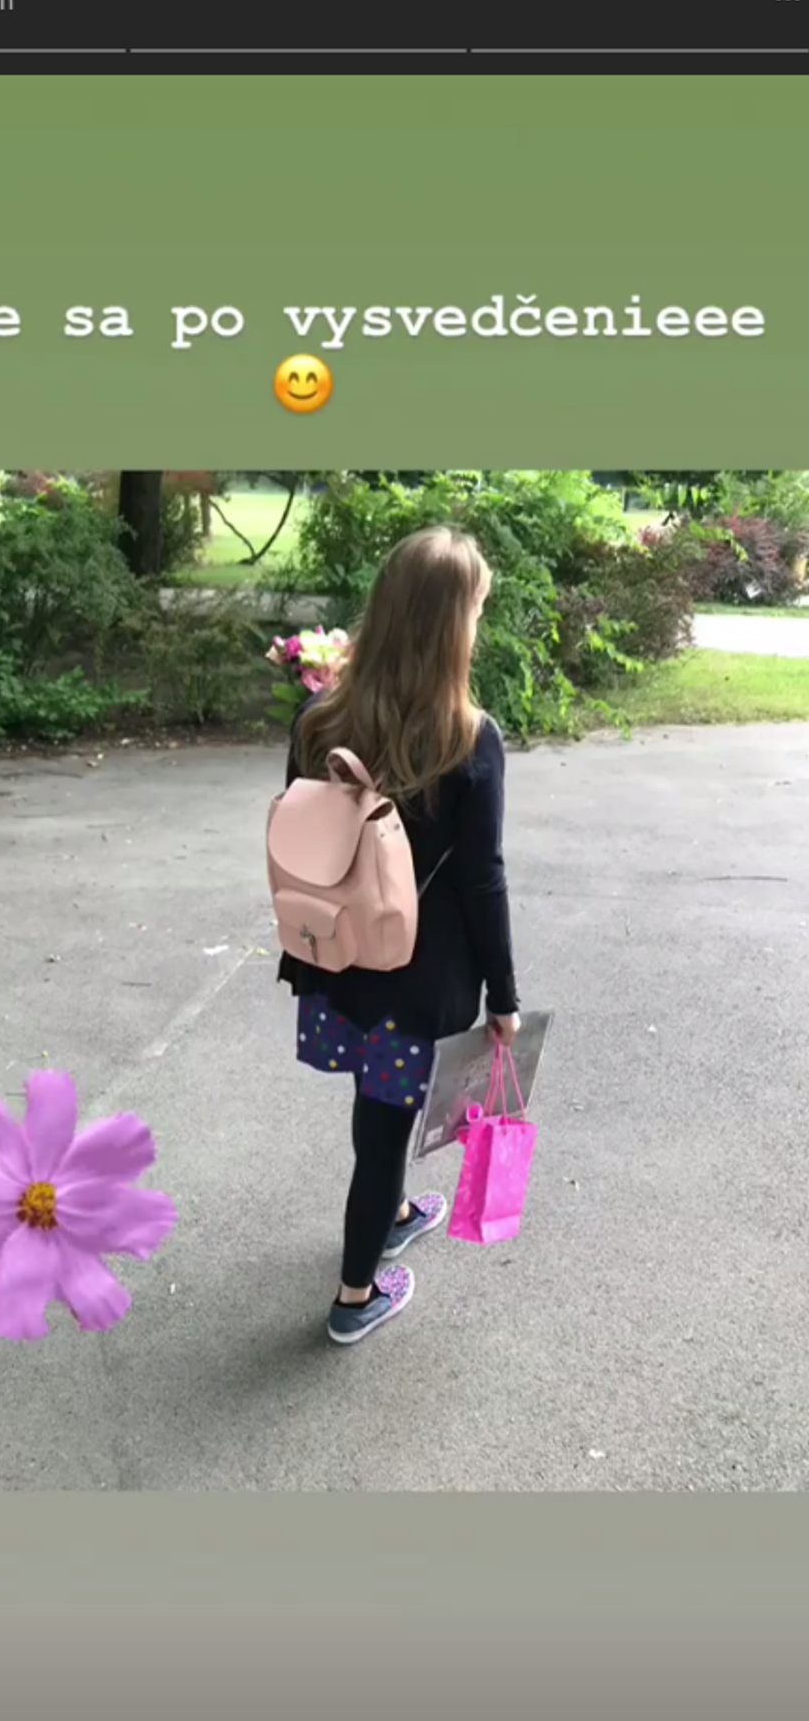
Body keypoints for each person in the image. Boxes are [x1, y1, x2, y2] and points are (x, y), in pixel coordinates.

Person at [278, 525, 521, 1345]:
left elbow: (302, 841)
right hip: (416, 980)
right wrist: (504, 997)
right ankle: (355, 1296)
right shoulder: (466, 738)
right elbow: (482, 880)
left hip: (334, 959)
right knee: (385, 1128)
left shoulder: (319, 719)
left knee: (378, 1101)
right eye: (476, 610)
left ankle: (393, 1212)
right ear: (452, 627)